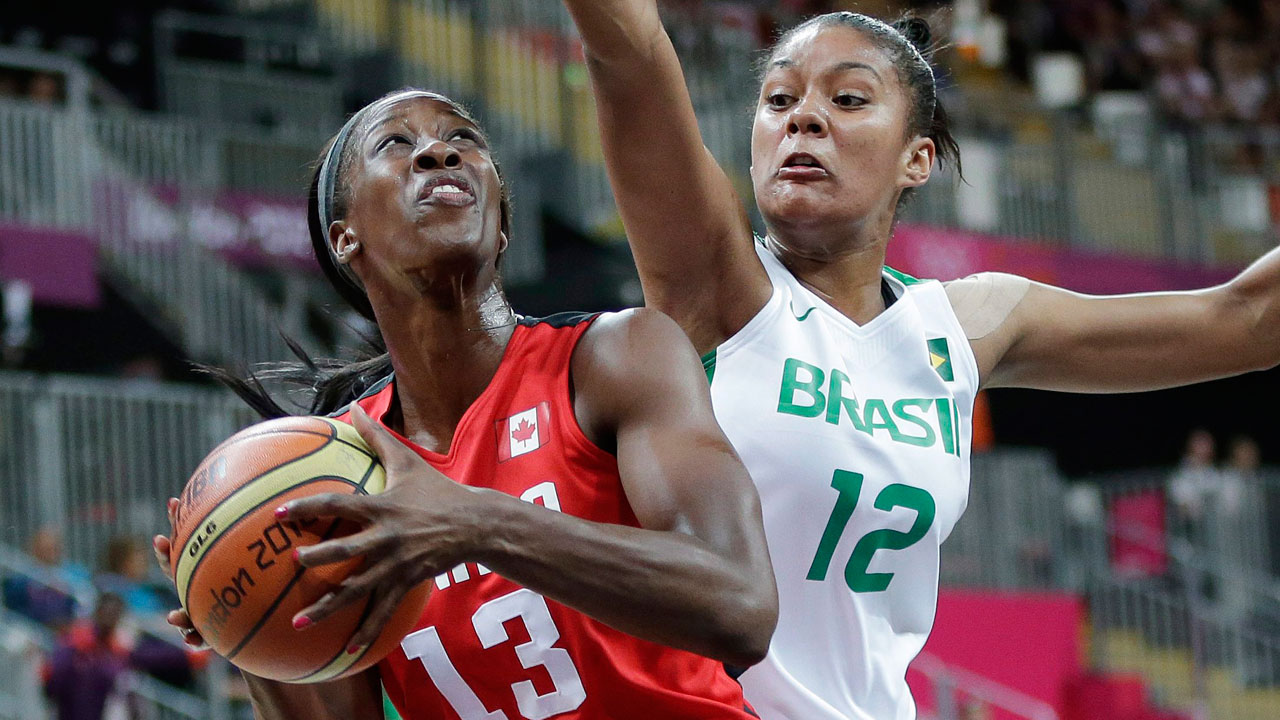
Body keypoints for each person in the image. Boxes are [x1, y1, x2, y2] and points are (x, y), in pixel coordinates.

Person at [557, 3, 1280, 718]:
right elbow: (629, 54)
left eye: (847, 99)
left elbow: (1246, 321)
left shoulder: (968, 325)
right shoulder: (716, 286)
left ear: (917, 159)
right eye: (779, 99)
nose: (802, 118)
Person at [153, 88, 777, 719]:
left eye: (463, 139)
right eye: (396, 144)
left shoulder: (614, 357)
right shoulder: (337, 471)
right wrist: (246, 629)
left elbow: (740, 604)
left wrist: (477, 523)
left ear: (500, 225)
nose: (438, 152)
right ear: (345, 239)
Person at [43, 592, 135, 720]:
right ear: (98, 612)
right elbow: (55, 672)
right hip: (69, 705)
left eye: (114, 614)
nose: (109, 618)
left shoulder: (118, 648)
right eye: (107, 612)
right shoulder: (77, 638)